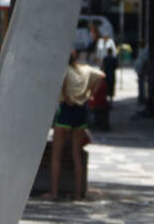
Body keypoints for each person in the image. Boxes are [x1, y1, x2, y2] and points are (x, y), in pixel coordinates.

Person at [43, 50, 104, 200]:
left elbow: (60, 85)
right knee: (76, 154)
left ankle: (54, 192)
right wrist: (91, 93)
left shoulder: (64, 70)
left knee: (56, 154)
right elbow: (102, 76)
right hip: (80, 111)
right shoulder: (85, 70)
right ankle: (78, 193)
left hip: (65, 110)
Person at [134, 39, 149, 106]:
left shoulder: (146, 50)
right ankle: (141, 97)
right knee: (140, 85)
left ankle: (143, 98)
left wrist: (142, 70)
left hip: (143, 71)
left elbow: (145, 62)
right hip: (139, 70)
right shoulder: (141, 49)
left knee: (143, 85)